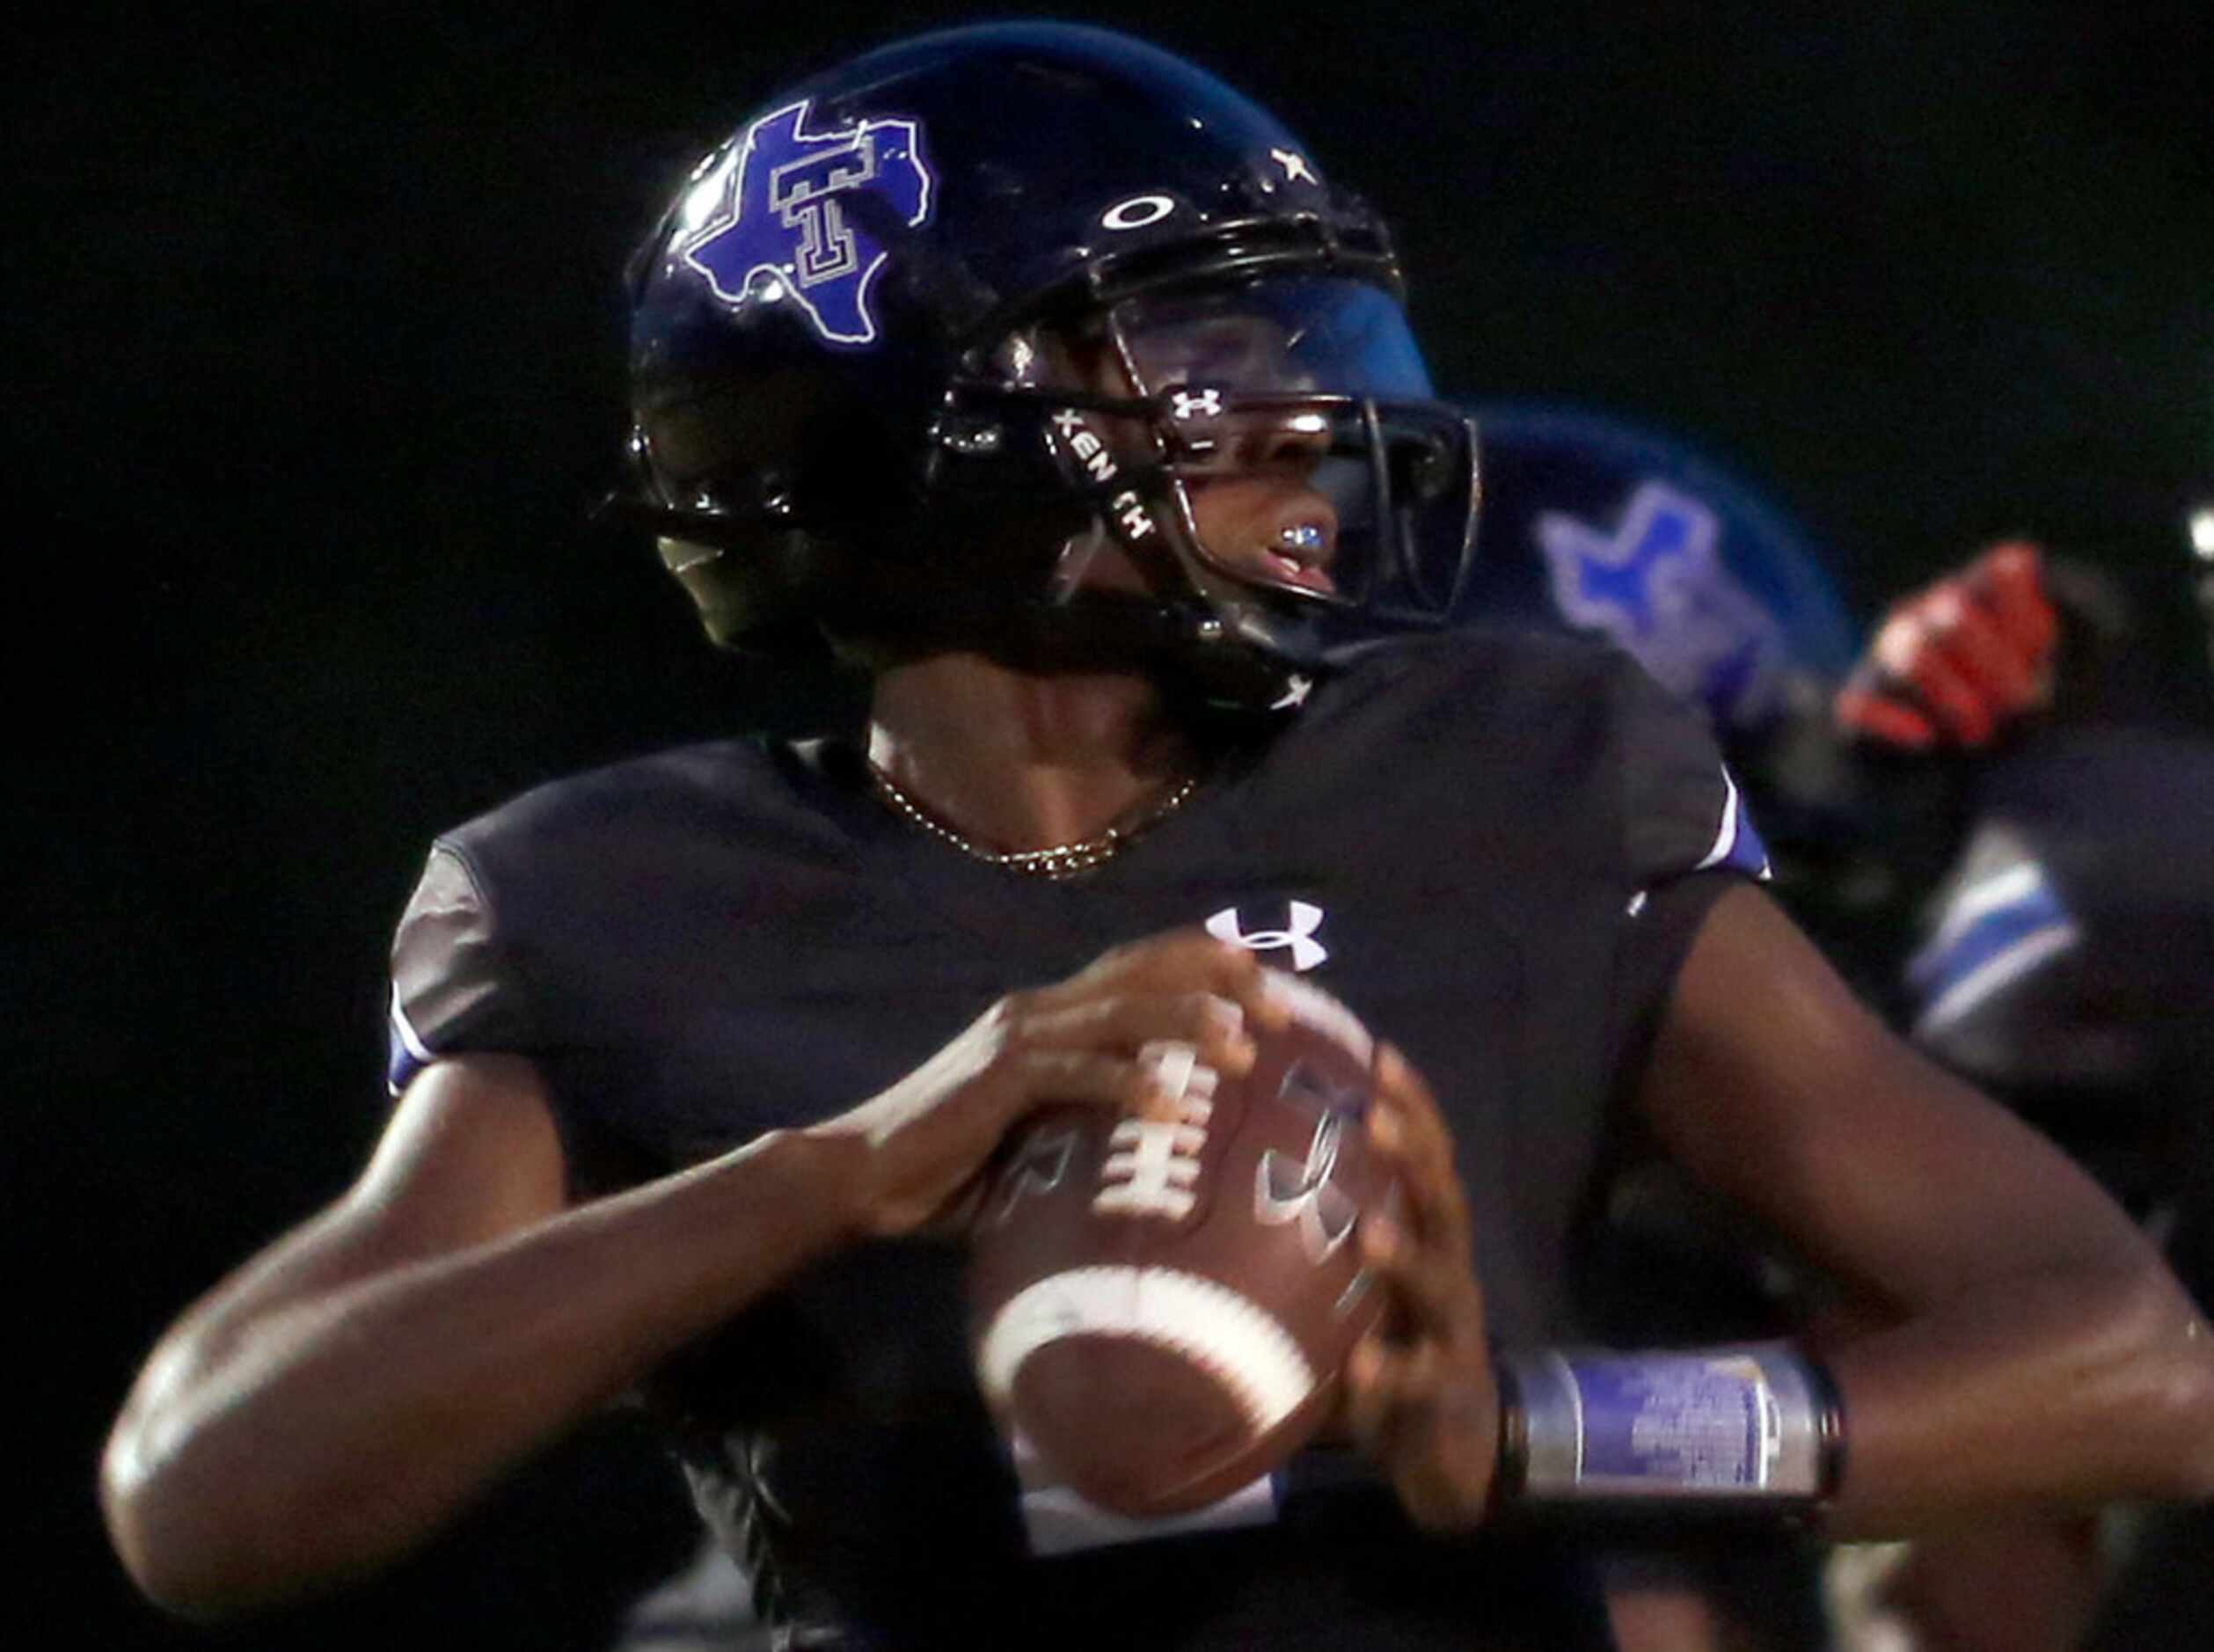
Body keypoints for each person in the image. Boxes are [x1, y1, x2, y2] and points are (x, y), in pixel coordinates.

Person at [99, 23, 2214, 1651]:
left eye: (1293, 343)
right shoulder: (611, 904)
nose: (1298, 417)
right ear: (922, 437)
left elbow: (2133, 1362)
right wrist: (832, 1173)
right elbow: (205, 1499)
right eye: (1196, 357)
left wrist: (1530, 1435)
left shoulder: (1512, 771)